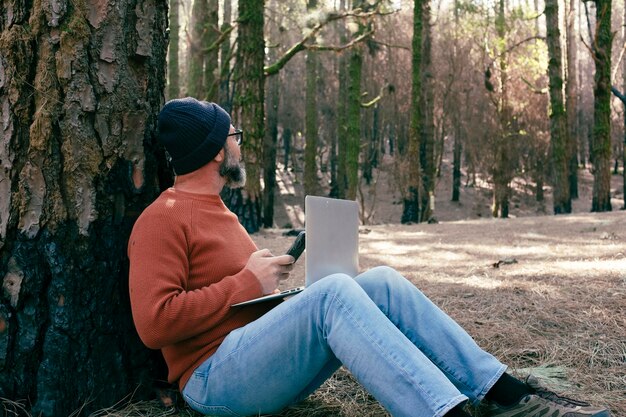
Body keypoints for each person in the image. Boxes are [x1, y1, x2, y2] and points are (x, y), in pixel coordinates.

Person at [128, 97, 611, 417]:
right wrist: (246, 283)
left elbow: (236, 303)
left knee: (377, 281)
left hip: (250, 358)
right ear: (215, 151)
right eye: (235, 135)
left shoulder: (218, 212)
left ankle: (502, 394)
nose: (240, 143)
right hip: (212, 380)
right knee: (334, 294)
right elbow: (154, 323)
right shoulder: (163, 218)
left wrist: (276, 285)